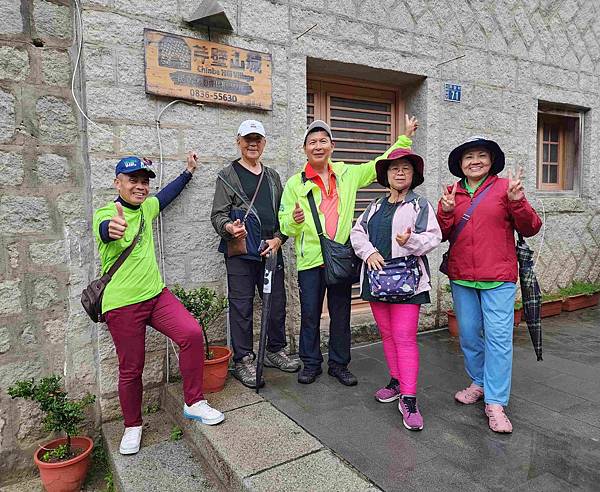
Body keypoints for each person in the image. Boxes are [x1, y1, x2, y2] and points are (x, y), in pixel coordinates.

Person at [93, 153, 224, 456]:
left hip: (156, 295)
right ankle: (133, 425)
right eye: (132, 180)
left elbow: (167, 195)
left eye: (143, 181)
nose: (139, 186)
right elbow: (105, 229)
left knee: (190, 333)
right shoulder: (105, 213)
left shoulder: (148, 208)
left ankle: (193, 402)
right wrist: (111, 229)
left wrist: (188, 172)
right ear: (118, 183)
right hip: (122, 304)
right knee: (131, 368)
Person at [279, 116, 418, 386]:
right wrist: (293, 221)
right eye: (312, 142)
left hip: (341, 258)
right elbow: (284, 221)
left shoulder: (347, 174)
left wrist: (404, 139)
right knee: (309, 315)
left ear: (332, 145)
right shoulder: (294, 184)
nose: (318, 146)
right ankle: (310, 363)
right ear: (304, 148)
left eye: (323, 141)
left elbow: (378, 164)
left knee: (341, 314)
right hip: (310, 262)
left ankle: (339, 364)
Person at [436, 136, 542, 433]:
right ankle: (479, 382)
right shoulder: (452, 192)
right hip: (462, 277)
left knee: (497, 340)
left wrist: (518, 201)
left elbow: (531, 227)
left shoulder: (504, 188)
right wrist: (444, 211)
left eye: (481, 155)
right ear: (460, 164)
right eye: (468, 157)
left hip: (498, 278)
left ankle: (495, 401)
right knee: (469, 335)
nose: (475, 161)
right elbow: (441, 234)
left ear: (491, 160)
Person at [350, 148, 441, 431]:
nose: (399, 172)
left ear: (414, 175)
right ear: (386, 176)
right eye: (394, 168)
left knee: (404, 337)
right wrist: (368, 253)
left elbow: (433, 236)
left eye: (405, 168)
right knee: (387, 335)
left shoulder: (420, 205)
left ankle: (410, 398)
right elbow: (357, 233)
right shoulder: (375, 206)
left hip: (407, 281)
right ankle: (395, 381)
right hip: (377, 280)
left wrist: (411, 241)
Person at [211, 120, 299, 389]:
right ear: (238, 141)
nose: (252, 144)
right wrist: (228, 227)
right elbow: (218, 215)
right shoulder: (227, 176)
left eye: (257, 139)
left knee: (276, 304)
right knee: (241, 307)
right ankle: (243, 360)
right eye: (247, 139)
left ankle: (274, 350)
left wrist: (280, 238)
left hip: (270, 249)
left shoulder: (272, 176)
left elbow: (283, 215)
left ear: (264, 143)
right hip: (240, 252)